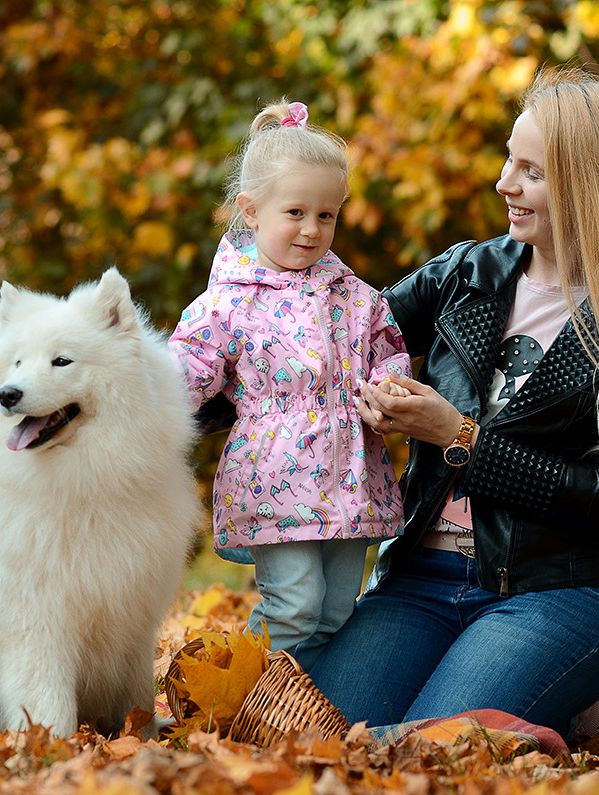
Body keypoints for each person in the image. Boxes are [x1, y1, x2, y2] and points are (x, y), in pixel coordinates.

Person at [307, 66, 599, 740]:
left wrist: (459, 435)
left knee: (430, 755)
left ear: (589, 188)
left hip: (554, 594)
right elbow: (335, 343)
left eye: (531, 171)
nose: (504, 183)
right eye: (509, 160)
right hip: (419, 578)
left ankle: (528, 723)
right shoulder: (466, 274)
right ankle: (521, 728)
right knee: (314, 740)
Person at [169, 99, 411, 670]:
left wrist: (390, 385)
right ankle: (242, 694)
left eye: (327, 215)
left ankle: (302, 700)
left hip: (351, 475)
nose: (311, 229)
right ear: (251, 211)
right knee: (295, 606)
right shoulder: (227, 302)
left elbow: (388, 351)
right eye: (296, 212)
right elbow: (185, 369)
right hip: (275, 476)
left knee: (336, 611)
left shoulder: (355, 295)